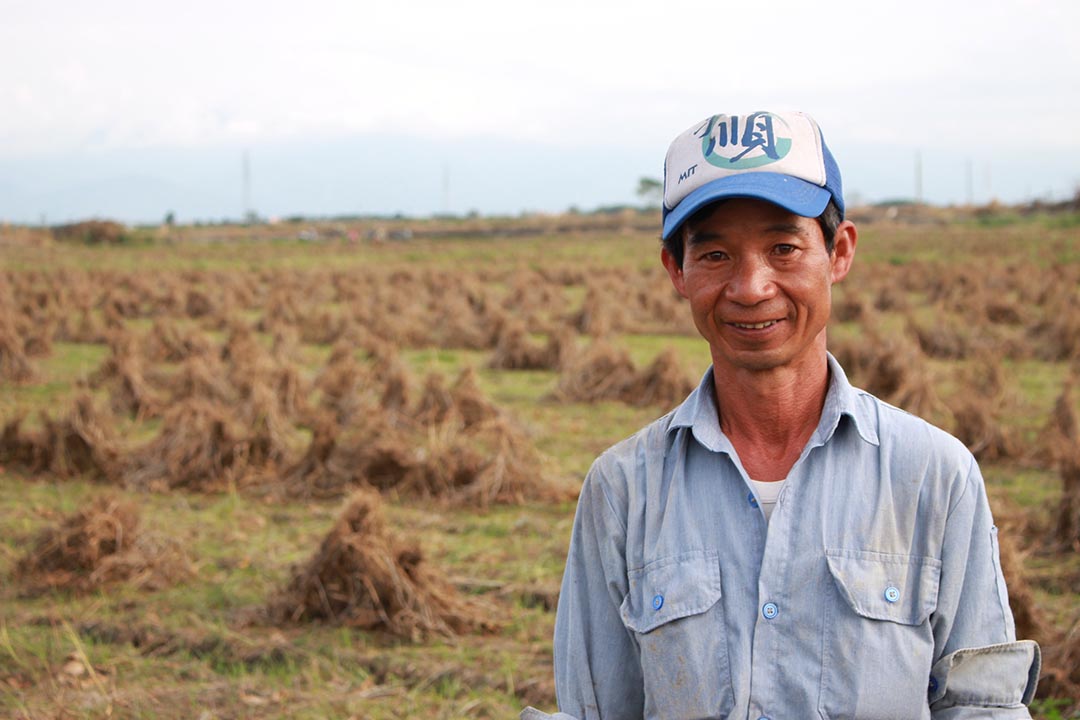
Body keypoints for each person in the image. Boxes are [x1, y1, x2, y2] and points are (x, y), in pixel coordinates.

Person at [521, 111, 1040, 720]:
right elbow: (593, 709)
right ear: (676, 272)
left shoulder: (934, 474)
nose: (751, 286)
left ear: (838, 252)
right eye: (714, 253)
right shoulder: (623, 490)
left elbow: (982, 707)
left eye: (784, 248)